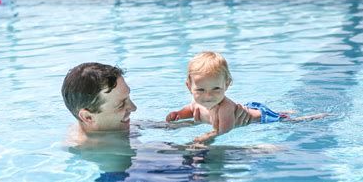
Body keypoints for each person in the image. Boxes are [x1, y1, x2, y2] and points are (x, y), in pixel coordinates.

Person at [61, 62, 253, 147]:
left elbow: (168, 130)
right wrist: (254, 152)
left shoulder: (109, 126)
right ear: (87, 117)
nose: (134, 108)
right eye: (121, 104)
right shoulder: (99, 148)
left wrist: (214, 116)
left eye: (129, 98)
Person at [166, 51, 328, 143]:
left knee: (287, 120)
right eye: (201, 89)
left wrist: (207, 137)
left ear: (227, 84)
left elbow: (224, 130)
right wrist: (178, 114)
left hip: (262, 117)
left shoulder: (225, 107)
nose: (208, 96)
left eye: (216, 88)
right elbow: (190, 109)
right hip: (250, 108)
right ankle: (286, 111)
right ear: (189, 87)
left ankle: (310, 117)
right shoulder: (197, 101)